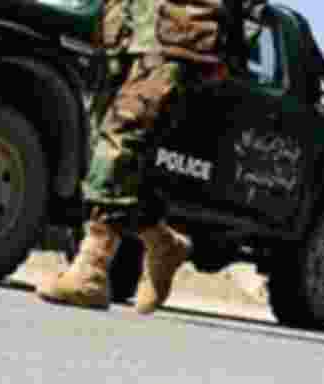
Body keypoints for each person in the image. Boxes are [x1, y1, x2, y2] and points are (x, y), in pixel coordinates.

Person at [38, 0, 245, 313]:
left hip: (179, 29)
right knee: (107, 146)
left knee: (123, 132)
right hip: (125, 31)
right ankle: (162, 242)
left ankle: (91, 268)